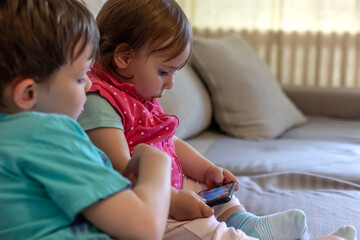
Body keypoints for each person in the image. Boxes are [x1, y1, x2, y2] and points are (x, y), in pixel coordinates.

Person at [78, 0, 357, 240]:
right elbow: (119, 171)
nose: (171, 83)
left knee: (208, 189)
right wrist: (173, 201)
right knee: (202, 228)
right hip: (141, 204)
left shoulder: (136, 93)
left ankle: (246, 223)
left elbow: (169, 143)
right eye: (164, 71)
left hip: (164, 185)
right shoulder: (99, 101)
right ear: (124, 57)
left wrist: (207, 170)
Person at [0, 0, 172, 239]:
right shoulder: (47, 133)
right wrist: (156, 162)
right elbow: (145, 229)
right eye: (81, 77)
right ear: (29, 94)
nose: (90, 84)